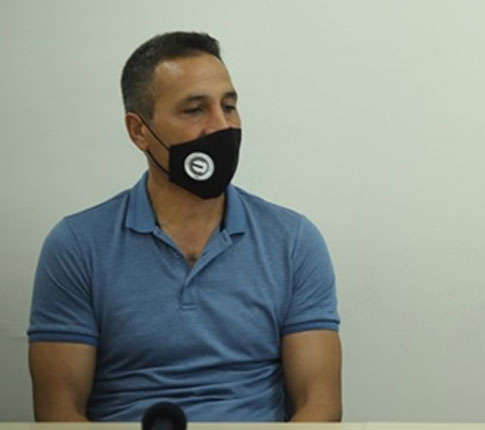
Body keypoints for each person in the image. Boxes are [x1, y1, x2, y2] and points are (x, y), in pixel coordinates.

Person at [27, 32, 342, 422]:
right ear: (139, 131)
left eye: (229, 107)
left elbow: (320, 404)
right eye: (195, 110)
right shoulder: (77, 246)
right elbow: (58, 413)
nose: (221, 126)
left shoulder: (292, 241)